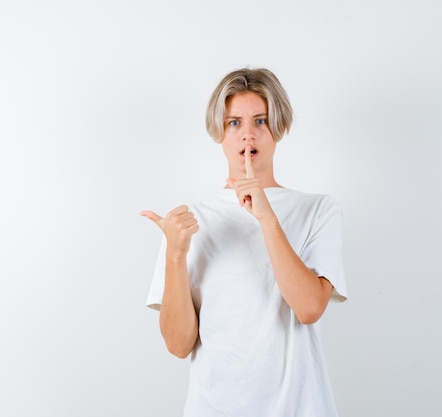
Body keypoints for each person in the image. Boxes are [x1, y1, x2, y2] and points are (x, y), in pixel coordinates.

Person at [141, 67, 347, 417]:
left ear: (278, 128)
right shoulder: (190, 222)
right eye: (234, 123)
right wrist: (176, 254)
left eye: (261, 121)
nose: (247, 135)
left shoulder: (318, 210)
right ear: (219, 132)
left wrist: (267, 217)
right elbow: (178, 345)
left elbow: (310, 308)